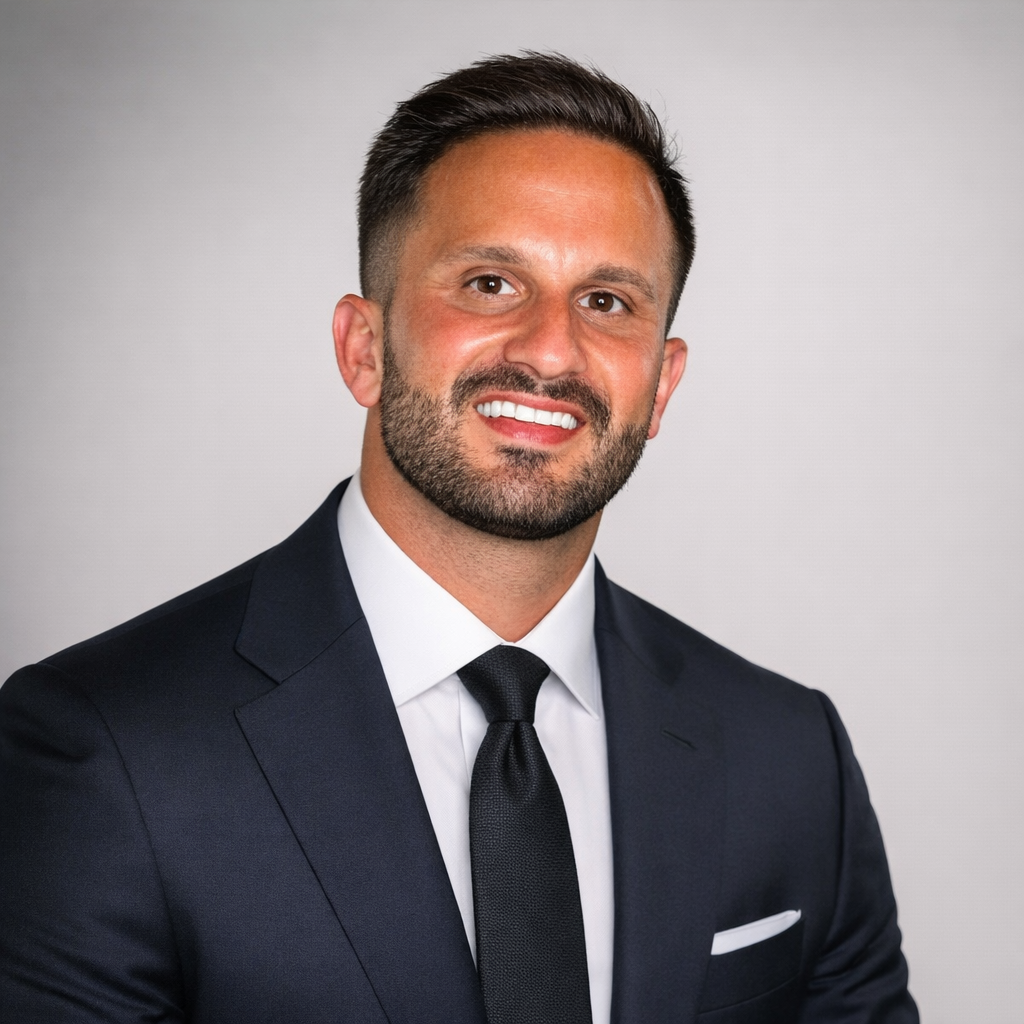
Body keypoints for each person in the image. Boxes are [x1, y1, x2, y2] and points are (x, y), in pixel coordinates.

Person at [0, 52, 917, 1024]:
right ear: (363, 347)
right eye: (489, 282)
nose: (551, 349)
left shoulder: (788, 757)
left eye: (606, 302)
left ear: (662, 385)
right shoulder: (104, 749)